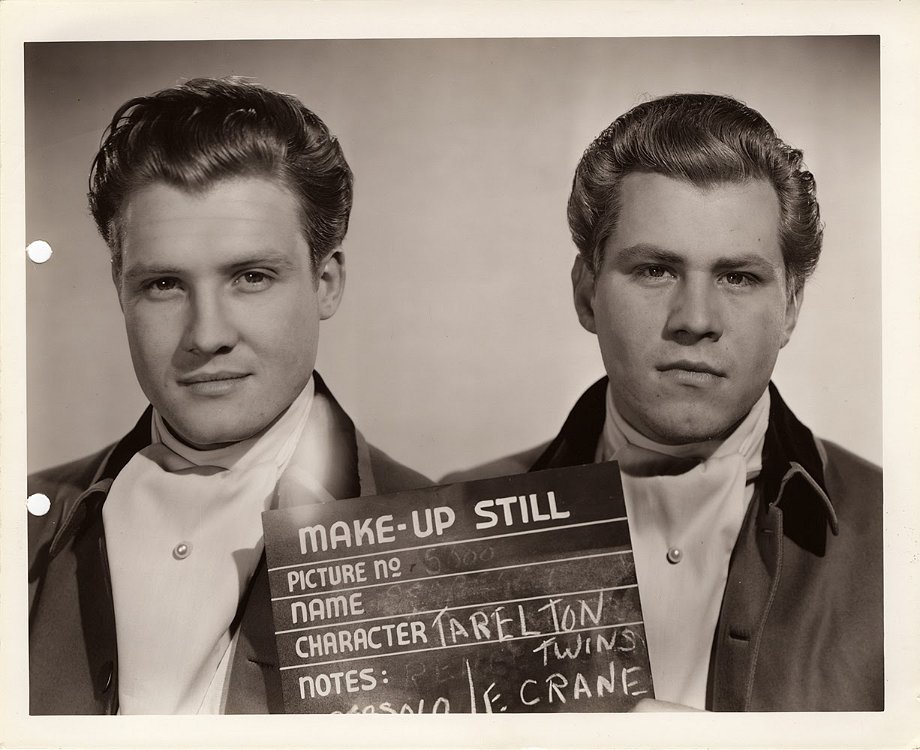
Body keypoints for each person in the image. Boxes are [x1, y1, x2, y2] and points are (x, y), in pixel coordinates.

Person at [447, 94, 882, 711]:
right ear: (587, 294)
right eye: (655, 270)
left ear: (790, 308)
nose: (695, 319)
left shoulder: (899, 535)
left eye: (738, 277)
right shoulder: (453, 527)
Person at [27, 77, 429, 715]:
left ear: (326, 283)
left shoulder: (447, 548)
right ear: (120, 292)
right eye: (163, 284)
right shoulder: (22, 528)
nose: (206, 335)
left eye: (251, 277)